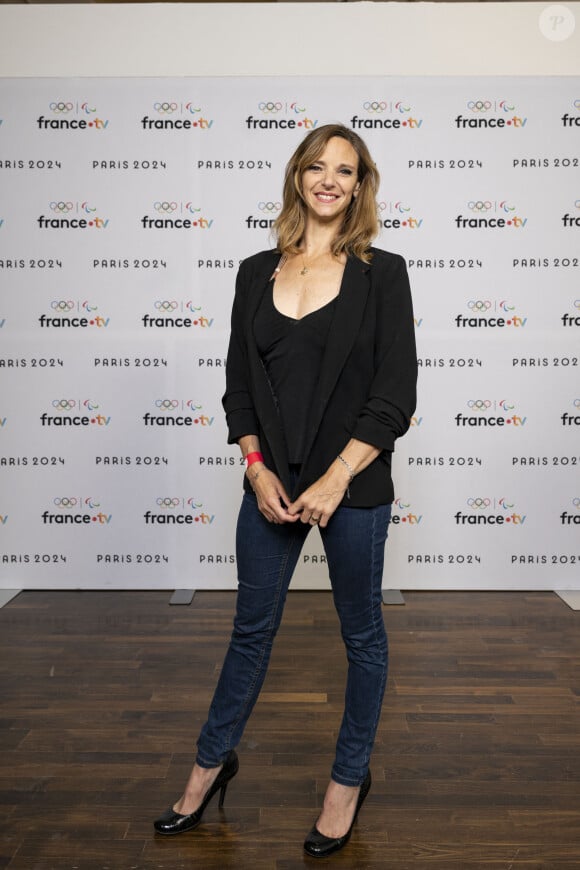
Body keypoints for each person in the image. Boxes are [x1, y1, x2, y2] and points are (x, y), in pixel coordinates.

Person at [154, 123, 417, 858]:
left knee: (362, 638)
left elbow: (395, 397)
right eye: (316, 166)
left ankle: (346, 784)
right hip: (271, 482)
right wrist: (256, 466)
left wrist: (337, 478)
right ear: (297, 176)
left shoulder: (382, 273)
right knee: (249, 633)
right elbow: (240, 388)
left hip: (353, 487)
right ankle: (208, 768)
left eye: (345, 169)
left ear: (360, 186)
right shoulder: (253, 270)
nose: (328, 179)